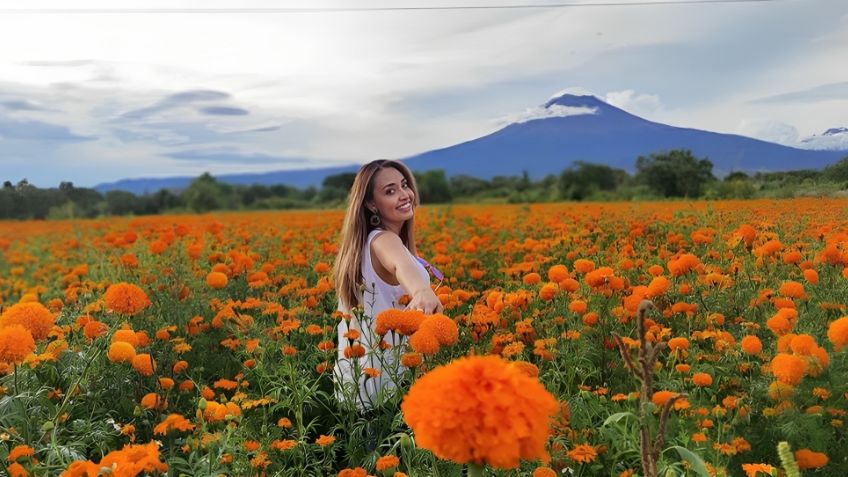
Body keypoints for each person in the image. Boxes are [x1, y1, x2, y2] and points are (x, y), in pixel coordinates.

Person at [332, 159, 444, 411]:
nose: (404, 195)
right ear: (372, 204)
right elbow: (399, 265)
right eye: (390, 191)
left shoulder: (364, 245)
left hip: (357, 386)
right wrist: (421, 290)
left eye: (404, 185)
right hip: (385, 390)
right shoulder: (384, 240)